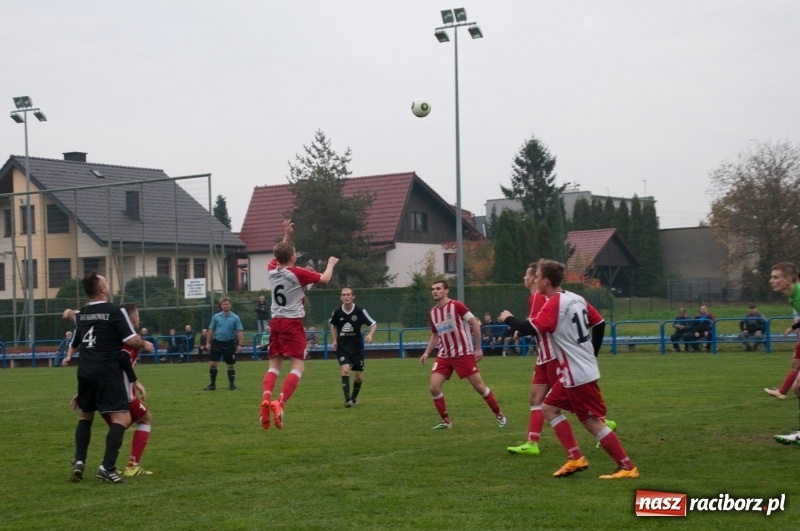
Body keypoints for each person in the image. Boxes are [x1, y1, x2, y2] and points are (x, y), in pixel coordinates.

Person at [511, 259, 637, 479]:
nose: (535, 280)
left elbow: (529, 327)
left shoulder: (553, 303)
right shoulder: (576, 298)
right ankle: (575, 458)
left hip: (576, 372)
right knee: (548, 407)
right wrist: (592, 354)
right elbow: (599, 323)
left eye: (538, 277)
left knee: (591, 422)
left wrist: (508, 319)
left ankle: (627, 467)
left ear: (546, 281)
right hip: (577, 370)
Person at [501, 262, 616, 457]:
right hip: (543, 356)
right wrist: (521, 331)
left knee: (563, 402)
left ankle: (601, 425)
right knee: (536, 397)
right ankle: (532, 442)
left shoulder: (546, 297)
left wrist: (511, 321)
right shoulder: (536, 298)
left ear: (537, 279)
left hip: (555, 356)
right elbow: (536, 324)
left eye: (532, 276)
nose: (528, 279)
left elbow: (539, 325)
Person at [66, 271, 154, 484]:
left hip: (85, 371)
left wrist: (69, 356)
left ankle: (79, 461)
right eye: (106, 282)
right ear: (102, 289)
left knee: (85, 416)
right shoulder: (114, 311)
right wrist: (145, 344)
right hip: (107, 372)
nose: (108, 284)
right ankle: (108, 467)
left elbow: (76, 343)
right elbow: (130, 340)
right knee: (121, 419)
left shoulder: (83, 314)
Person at [260, 219, 339, 430]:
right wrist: (331, 263)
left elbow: (279, 257)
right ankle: (280, 402)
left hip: (275, 322)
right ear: (293, 257)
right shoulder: (297, 273)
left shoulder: (271, 271)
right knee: (298, 366)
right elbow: (325, 279)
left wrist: (286, 238)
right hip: (292, 323)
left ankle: (266, 398)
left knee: (274, 365)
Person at [419, 279, 506, 430]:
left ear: (446, 291)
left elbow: (475, 324)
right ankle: (446, 421)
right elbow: (435, 334)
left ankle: (499, 415)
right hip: (444, 355)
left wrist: (478, 349)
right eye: (433, 289)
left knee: (479, 387)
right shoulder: (432, 313)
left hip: (463, 353)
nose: (434, 291)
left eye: (438, 288)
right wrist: (427, 352)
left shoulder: (456, 306)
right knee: (434, 387)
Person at [329, 287, 377, 407]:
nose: (346, 297)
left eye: (348, 294)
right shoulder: (337, 312)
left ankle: (354, 398)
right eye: (343, 295)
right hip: (343, 348)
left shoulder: (360, 311)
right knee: (345, 370)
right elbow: (332, 325)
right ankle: (347, 400)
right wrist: (335, 340)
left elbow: (374, 324)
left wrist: (370, 335)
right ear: (341, 298)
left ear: (353, 296)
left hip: (357, 348)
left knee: (358, 377)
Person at [766, 262, 800, 402]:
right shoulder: (794, 296)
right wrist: (793, 327)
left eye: (775, 277)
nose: (771, 281)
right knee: (797, 387)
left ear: (787, 280)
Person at [203, 296, 245, 391]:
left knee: (230, 364)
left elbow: (239, 331)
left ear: (230, 305)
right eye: (223, 304)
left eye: (227, 304)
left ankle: (232, 385)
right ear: (221, 306)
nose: (225, 306)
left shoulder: (235, 317)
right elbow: (211, 330)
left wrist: (240, 344)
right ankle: (212, 385)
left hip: (229, 343)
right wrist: (208, 343)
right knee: (213, 363)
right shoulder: (216, 317)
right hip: (217, 343)